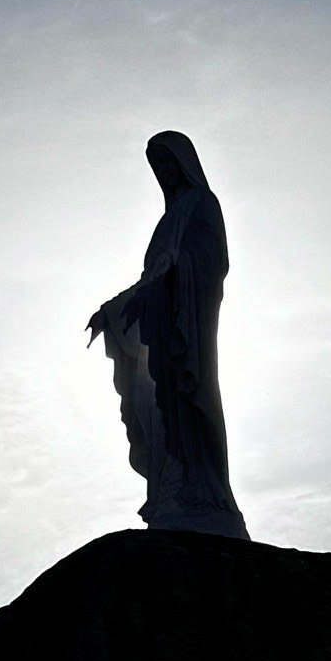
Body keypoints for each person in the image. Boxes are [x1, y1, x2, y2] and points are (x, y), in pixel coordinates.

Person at [86, 131, 248, 537]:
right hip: (160, 331)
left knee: (192, 405)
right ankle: (171, 493)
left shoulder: (202, 204)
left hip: (186, 329)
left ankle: (205, 495)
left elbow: (213, 261)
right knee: (159, 409)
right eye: (156, 166)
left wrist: (179, 266)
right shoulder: (168, 219)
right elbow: (150, 279)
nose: (163, 172)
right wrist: (114, 310)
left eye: (167, 162)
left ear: (184, 163)